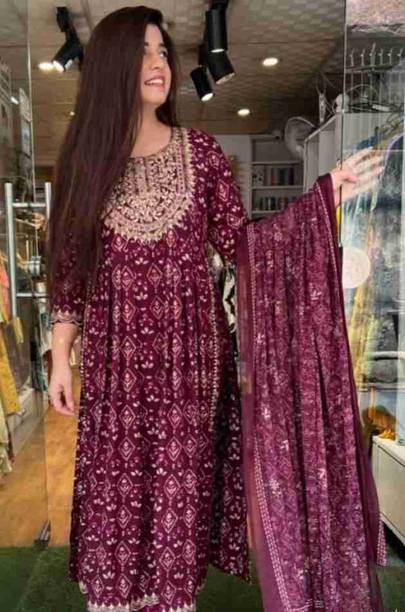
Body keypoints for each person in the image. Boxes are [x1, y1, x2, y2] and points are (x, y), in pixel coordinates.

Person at [47, 6, 383, 612]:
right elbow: (72, 271)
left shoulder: (200, 156)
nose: (159, 64)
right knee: (116, 491)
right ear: (112, 65)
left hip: (189, 368)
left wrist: (322, 197)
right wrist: (60, 356)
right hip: (117, 368)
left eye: (162, 52)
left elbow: (246, 248)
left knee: (178, 495)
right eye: (143, 52)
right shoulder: (86, 163)